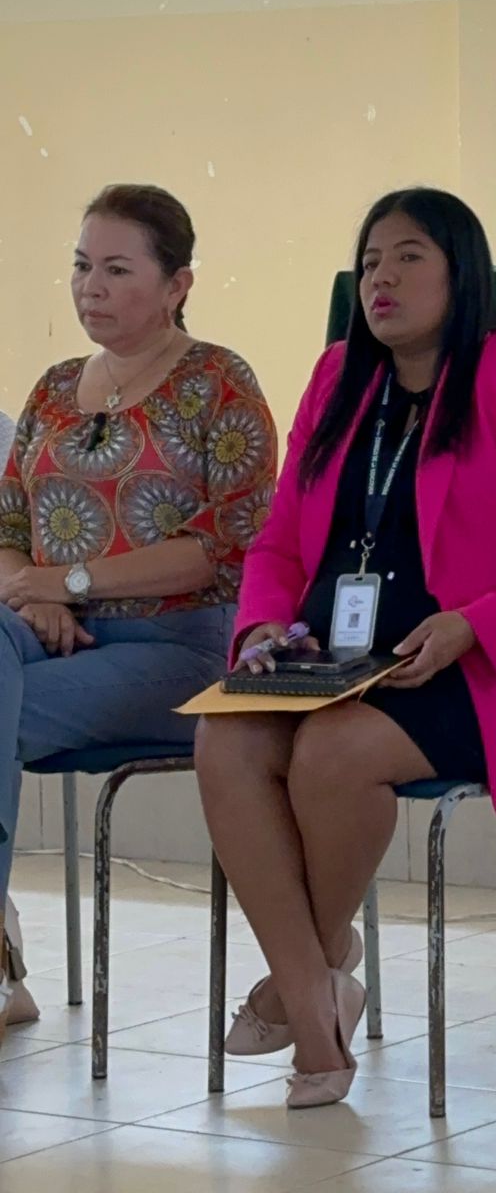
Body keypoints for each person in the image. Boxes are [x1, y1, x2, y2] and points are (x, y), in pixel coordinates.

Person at [195, 186, 496, 1110]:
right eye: (369, 263)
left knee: (334, 752)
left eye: (407, 257)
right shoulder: (337, 378)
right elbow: (278, 546)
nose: (380, 279)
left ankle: (300, 999)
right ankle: (320, 996)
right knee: (224, 739)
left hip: (484, 670)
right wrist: (262, 626)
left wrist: (475, 622)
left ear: (460, 272)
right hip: (331, 662)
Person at [0, 184, 276, 1047]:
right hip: (43, 629)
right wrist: (33, 592)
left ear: (177, 284)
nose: (92, 286)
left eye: (118, 269)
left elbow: (228, 545)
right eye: (83, 265)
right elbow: (6, 529)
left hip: (178, 646)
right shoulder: (53, 388)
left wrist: (71, 583)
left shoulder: (218, 382)